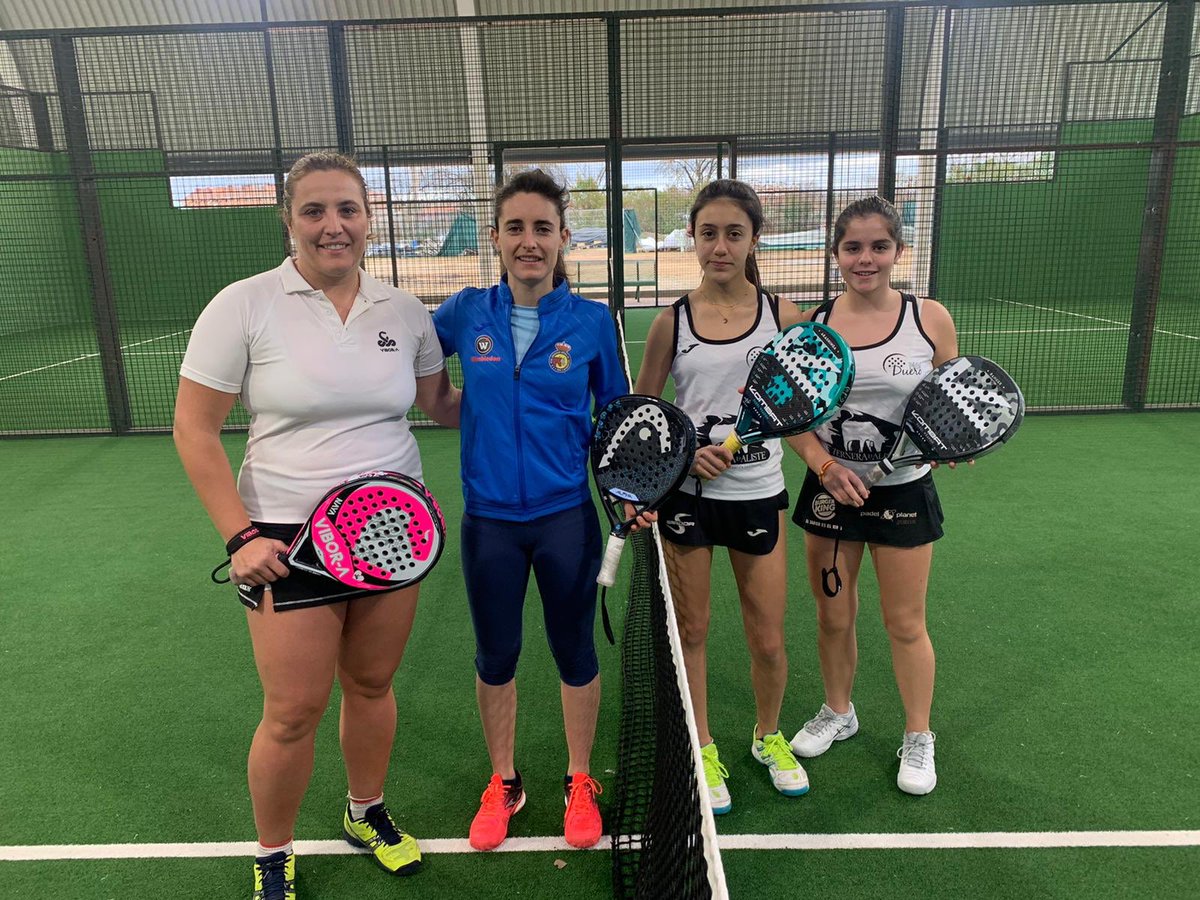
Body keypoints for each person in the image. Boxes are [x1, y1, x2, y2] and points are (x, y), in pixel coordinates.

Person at [174, 151, 460, 900]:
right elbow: (194, 429)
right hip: (284, 540)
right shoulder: (243, 304)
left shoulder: (403, 310)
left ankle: (365, 813)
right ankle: (273, 853)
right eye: (315, 211)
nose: (333, 227)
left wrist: (533, 391)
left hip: (393, 529)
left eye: (348, 211)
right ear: (289, 219)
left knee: (371, 683)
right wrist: (240, 537)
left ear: (368, 219)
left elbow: (443, 406)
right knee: (294, 711)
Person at [433, 169, 645, 852]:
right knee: (496, 655)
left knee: (575, 651)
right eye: (516, 227)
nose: (529, 242)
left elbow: (614, 420)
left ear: (562, 239)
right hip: (489, 523)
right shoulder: (466, 312)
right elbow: (395, 352)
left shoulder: (589, 324)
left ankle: (579, 780)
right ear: (495, 236)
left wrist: (625, 496)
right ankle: (505, 782)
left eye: (542, 228)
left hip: (565, 522)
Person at [634, 179, 811, 816]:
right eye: (708, 233)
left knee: (767, 637)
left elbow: (799, 408)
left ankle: (768, 736)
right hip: (689, 500)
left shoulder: (784, 317)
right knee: (695, 629)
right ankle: (702, 745)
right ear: (694, 238)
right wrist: (685, 455)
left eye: (734, 233)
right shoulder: (670, 322)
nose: (720, 246)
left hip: (759, 493)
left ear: (754, 239)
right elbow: (646, 419)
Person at [788, 195, 958, 796]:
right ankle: (839, 711)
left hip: (905, 492)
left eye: (878, 246)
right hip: (832, 494)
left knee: (905, 622)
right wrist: (826, 465)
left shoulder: (929, 318)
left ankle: (918, 735)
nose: (866, 259)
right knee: (834, 614)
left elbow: (950, 400)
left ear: (897, 251)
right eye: (853, 247)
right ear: (836, 255)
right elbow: (797, 417)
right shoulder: (815, 325)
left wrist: (949, 440)